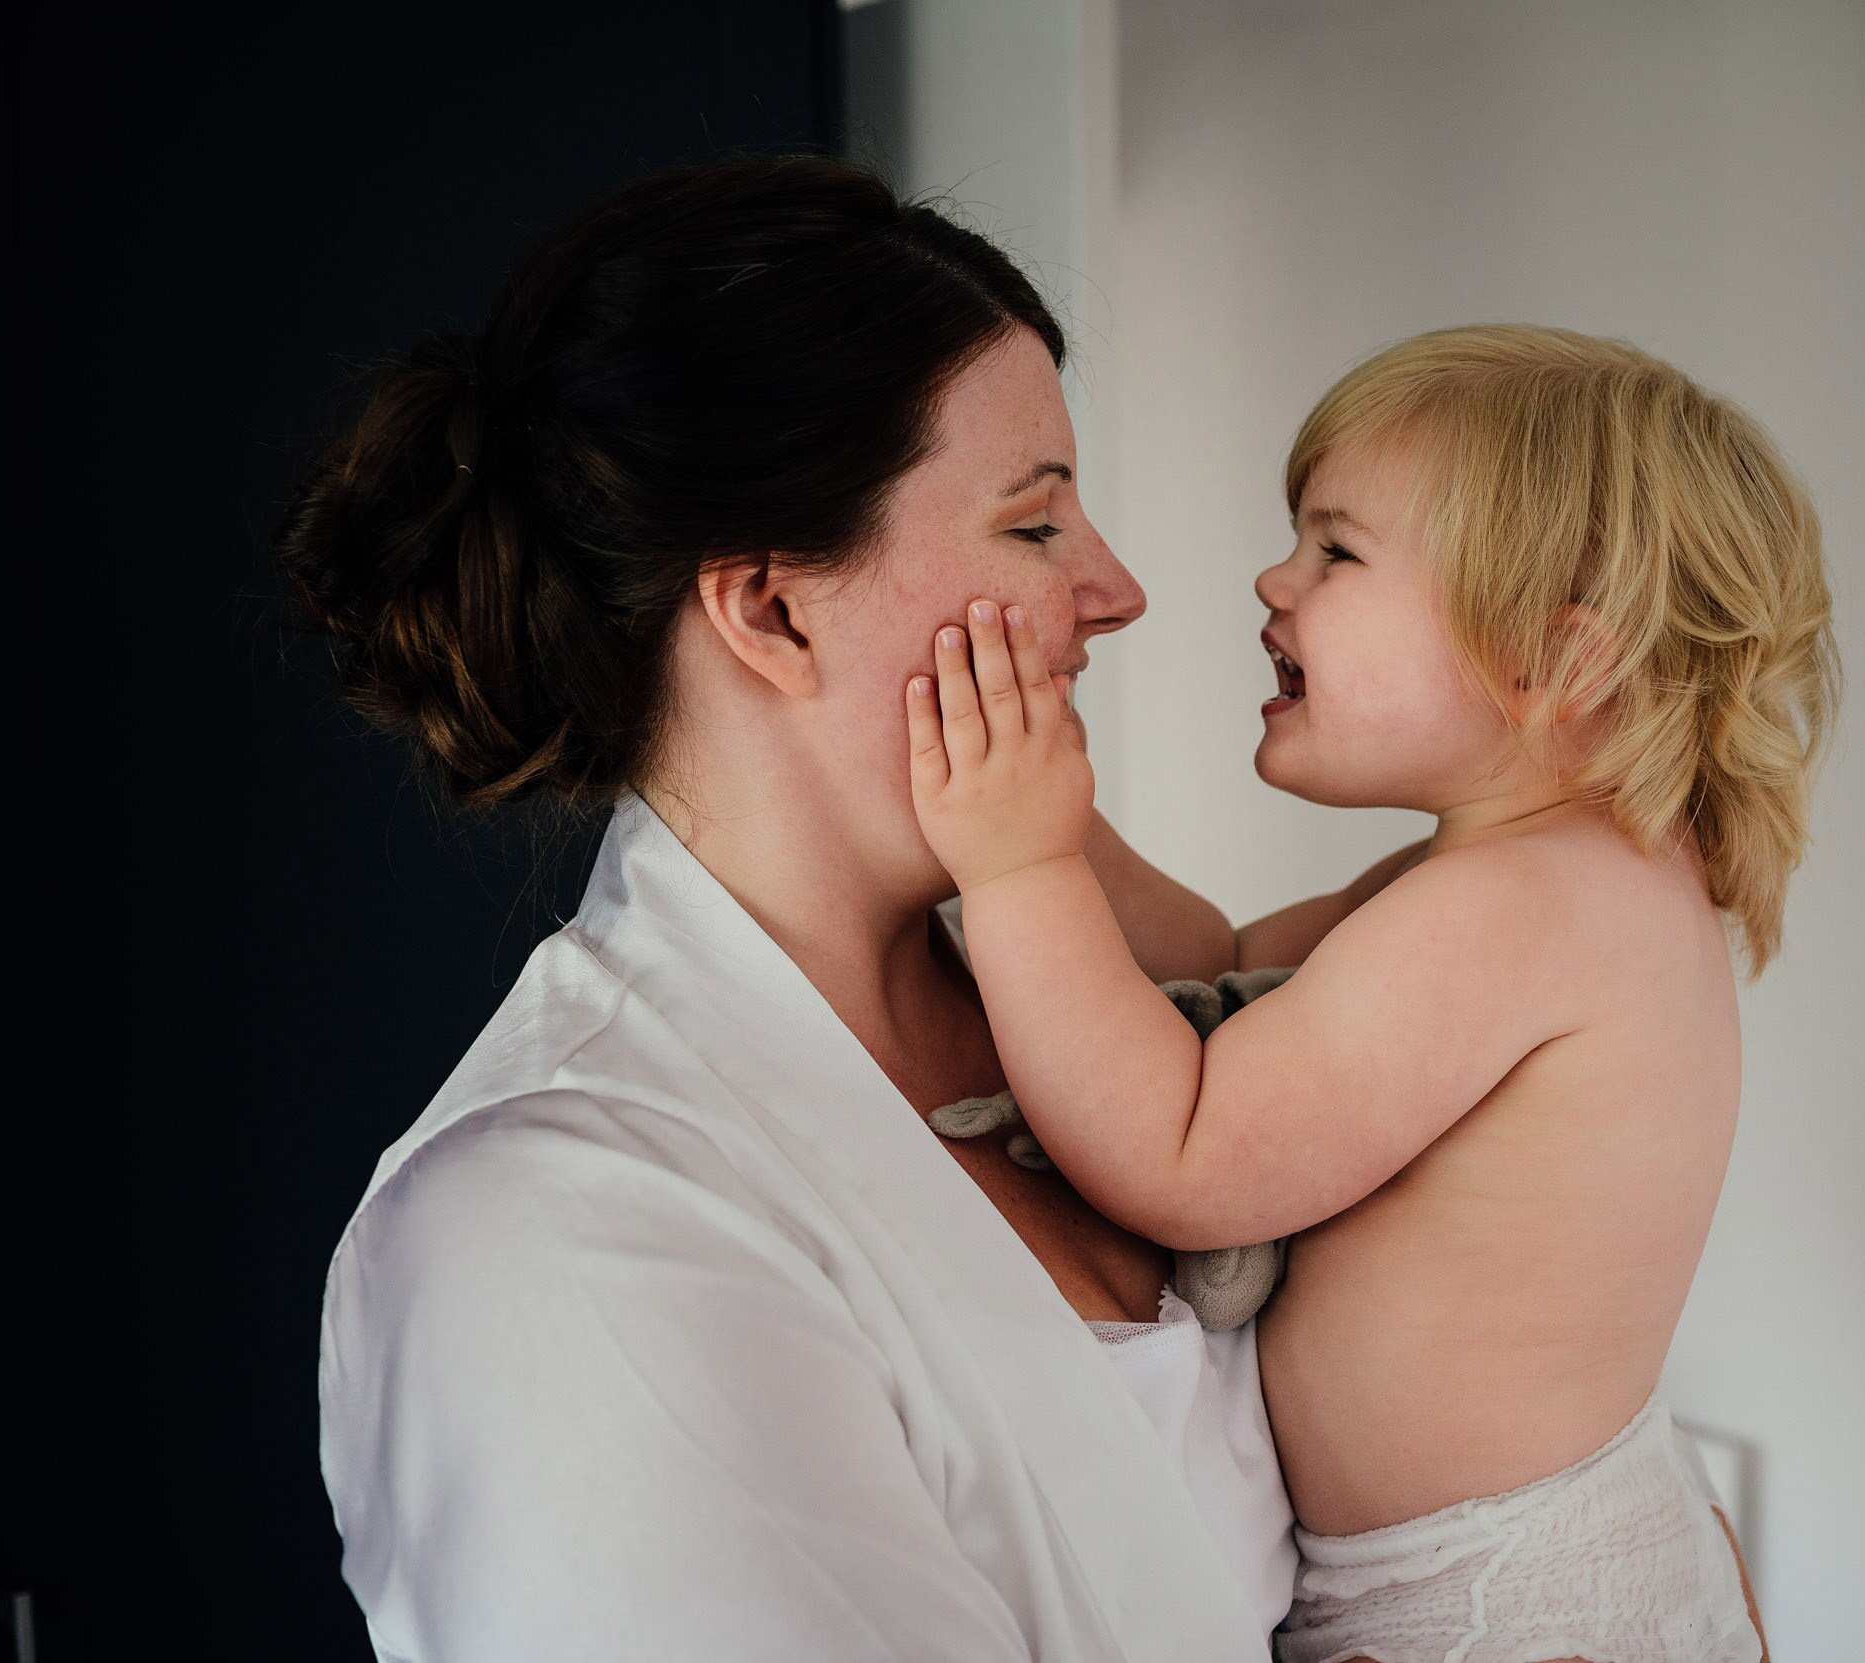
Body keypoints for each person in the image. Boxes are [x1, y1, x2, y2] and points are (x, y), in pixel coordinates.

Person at [280, 153, 1415, 1661]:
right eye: (1034, 525)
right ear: (770, 606)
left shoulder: (1086, 980)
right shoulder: (552, 1235)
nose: (1118, 588)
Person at [904, 325, 1831, 1661]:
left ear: (1552, 661)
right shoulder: (1539, 876)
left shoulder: (1522, 909)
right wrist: (1051, 808)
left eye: (1337, 552)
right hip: (1507, 1574)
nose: (1274, 578)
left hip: (1504, 1621)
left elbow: (1185, 1151)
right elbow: (1217, 955)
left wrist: (1018, 868)